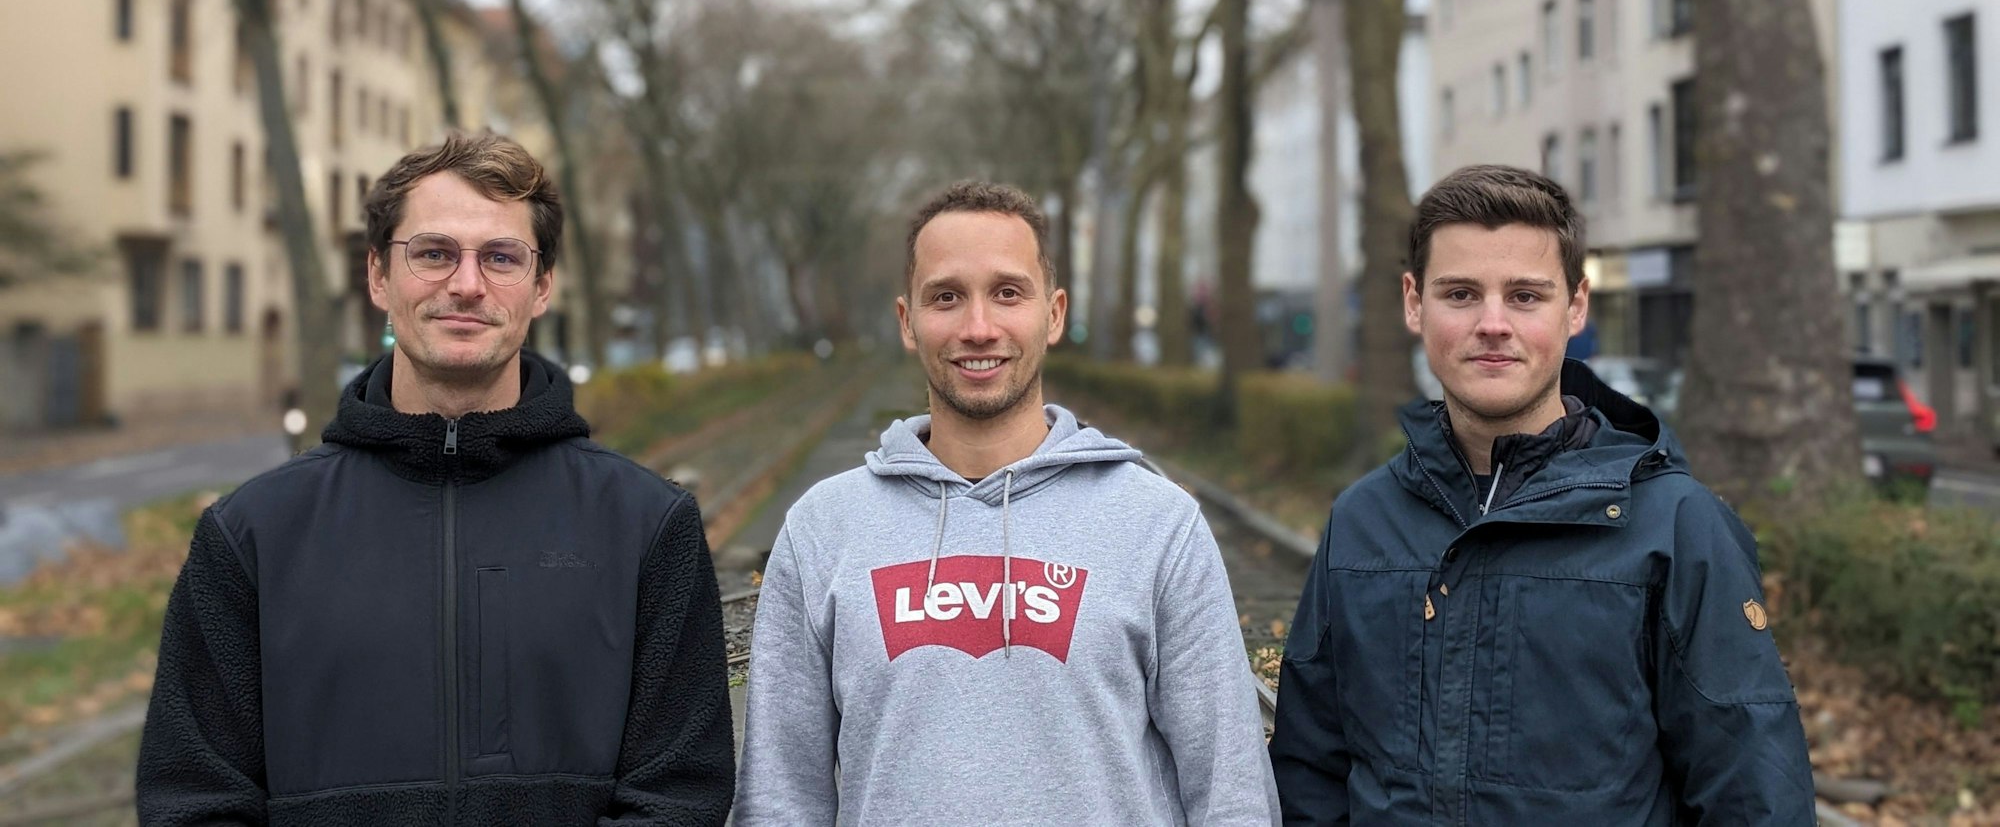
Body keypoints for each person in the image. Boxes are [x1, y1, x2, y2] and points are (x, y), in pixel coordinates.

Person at [137, 132, 734, 826]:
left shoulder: (646, 527)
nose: (467, 284)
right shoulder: (253, 535)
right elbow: (195, 799)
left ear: (542, 286)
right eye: (433, 252)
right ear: (378, 276)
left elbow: (678, 795)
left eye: (501, 257)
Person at [1269, 164, 1816, 825]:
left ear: (1576, 306)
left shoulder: (1675, 527)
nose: (1493, 323)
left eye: (1525, 296)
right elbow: (1310, 778)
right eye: (1461, 293)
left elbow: (1754, 796)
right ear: (1414, 302)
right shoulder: (1362, 522)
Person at [735, 181, 1280, 825]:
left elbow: (1232, 794)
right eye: (946, 297)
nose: (978, 328)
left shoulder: (1159, 524)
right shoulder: (823, 529)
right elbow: (780, 799)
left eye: (1008, 293)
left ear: (1054, 314)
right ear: (908, 321)